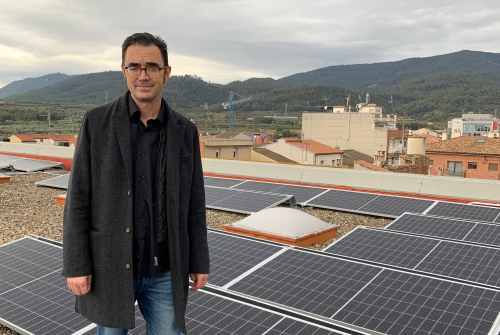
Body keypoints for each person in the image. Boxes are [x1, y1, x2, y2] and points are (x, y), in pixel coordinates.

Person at [61, 32, 210, 335]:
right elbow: (78, 199)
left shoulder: (185, 130)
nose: (143, 75)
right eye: (135, 67)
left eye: (152, 67)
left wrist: (199, 259)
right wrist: (77, 265)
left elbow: (195, 201)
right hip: (111, 266)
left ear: (166, 73)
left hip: (166, 271)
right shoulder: (96, 123)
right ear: (124, 71)